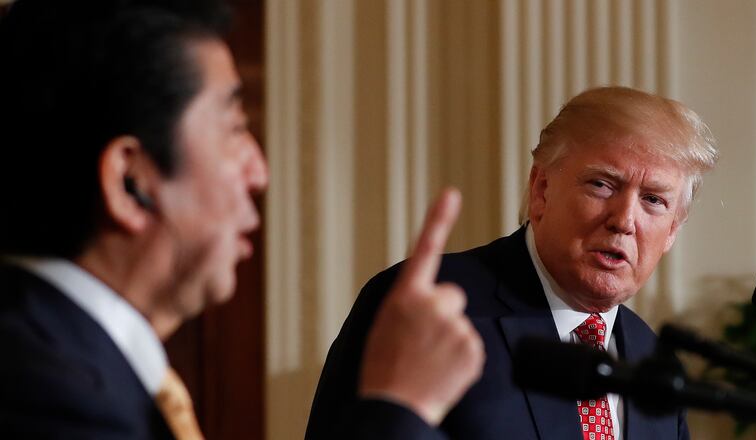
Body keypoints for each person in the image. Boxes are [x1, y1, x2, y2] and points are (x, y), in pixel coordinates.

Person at [0, 0, 482, 438]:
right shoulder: (45, 392)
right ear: (131, 182)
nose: (260, 171)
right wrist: (400, 407)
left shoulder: (71, 358)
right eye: (233, 128)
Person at [307, 86, 719, 439]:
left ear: (672, 232)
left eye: (653, 200)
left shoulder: (655, 364)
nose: (624, 220)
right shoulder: (431, 312)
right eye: (601, 184)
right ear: (541, 190)